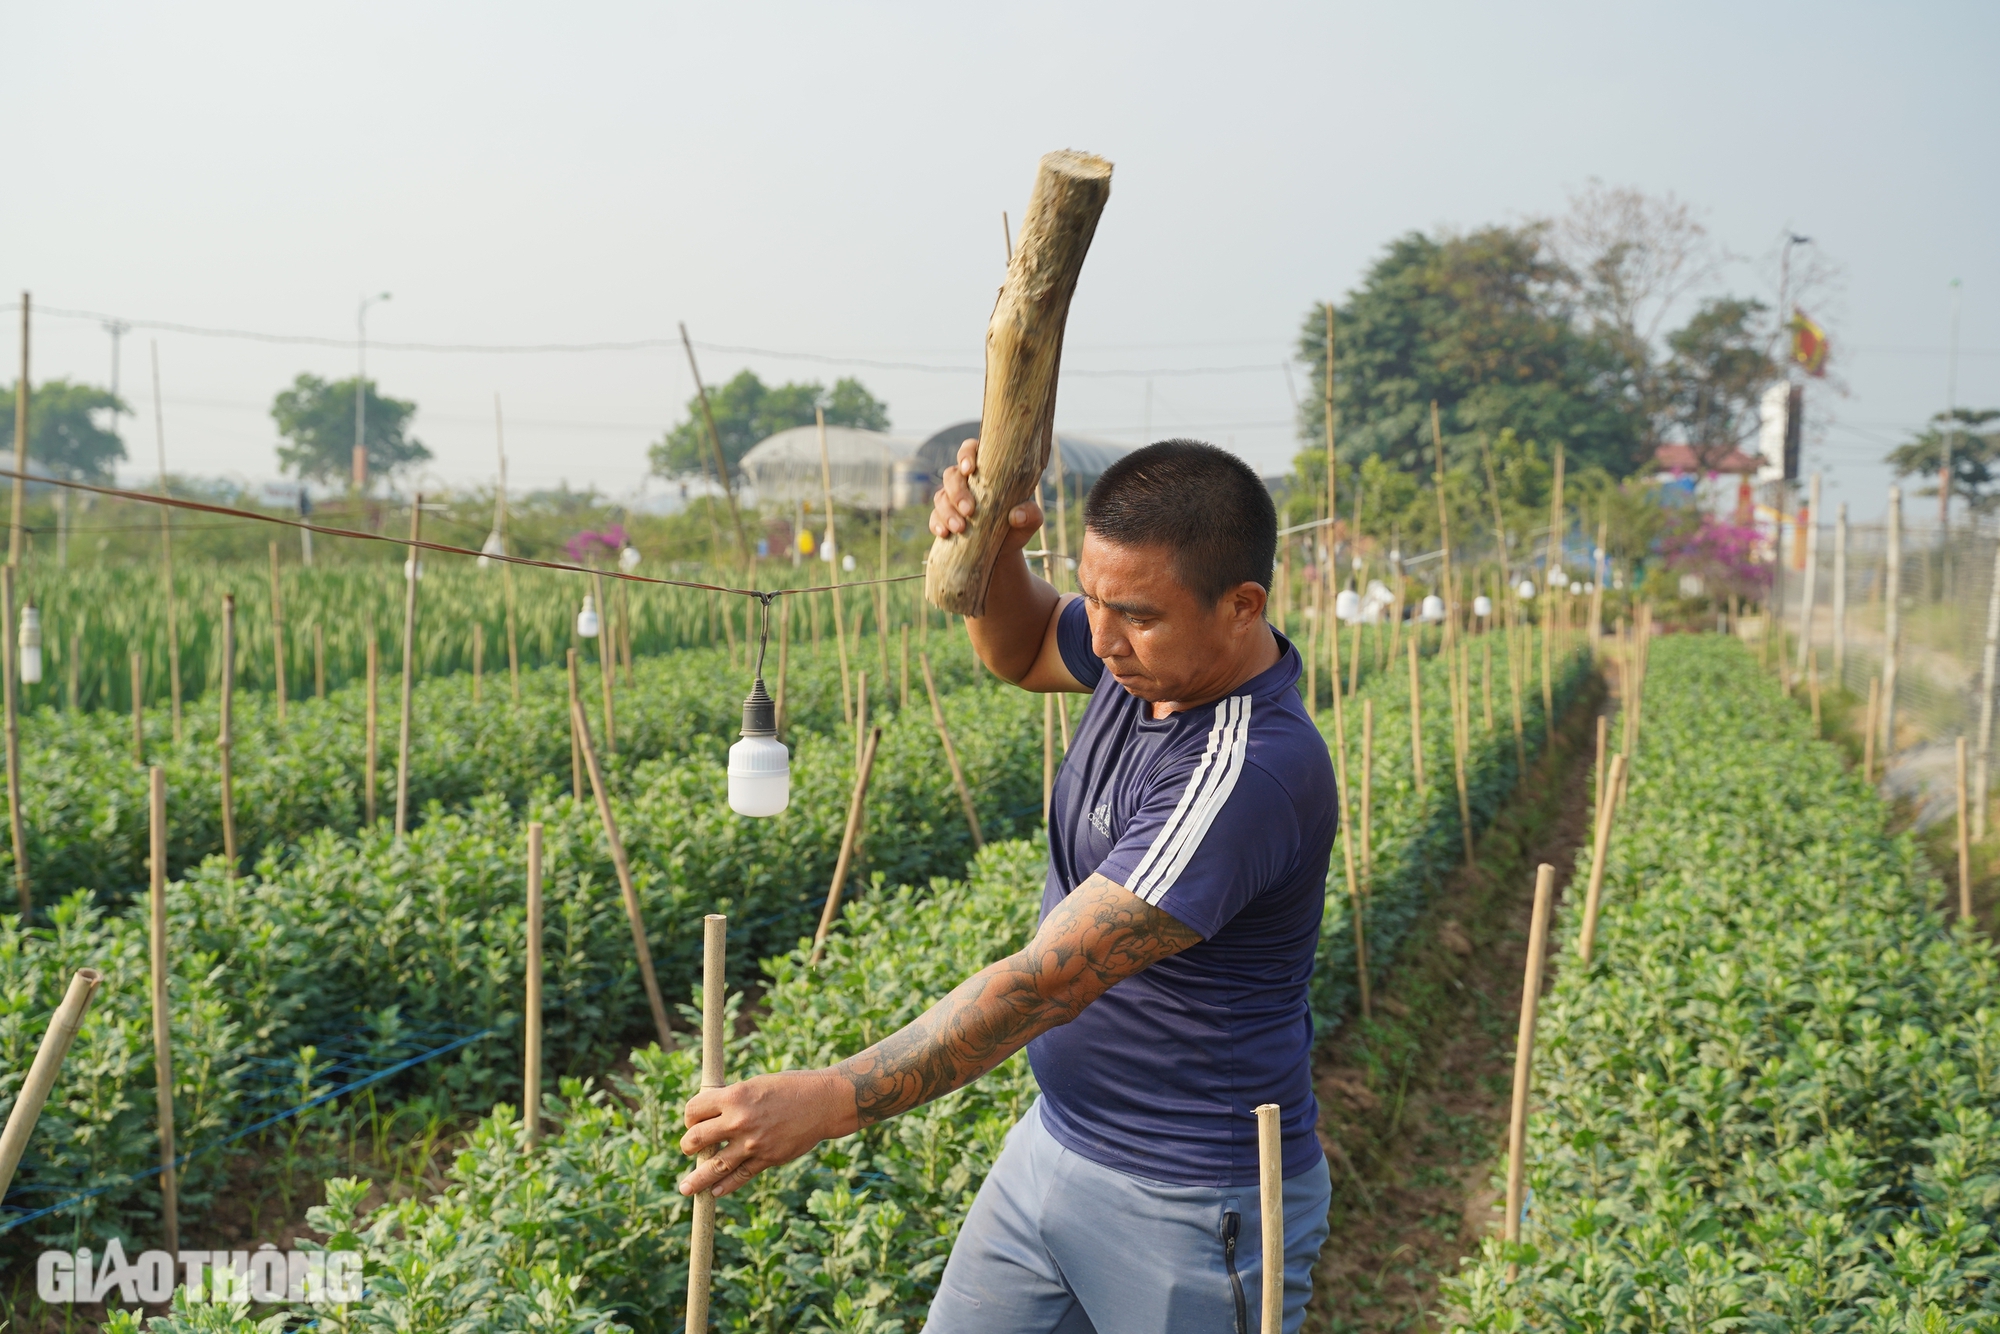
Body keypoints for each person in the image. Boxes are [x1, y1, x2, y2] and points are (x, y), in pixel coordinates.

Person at [678, 437, 1336, 1332]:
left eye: (1134, 615)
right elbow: (1023, 650)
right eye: (1092, 598)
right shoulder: (1145, 663)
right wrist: (992, 547)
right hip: (1054, 1143)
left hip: (1188, 1200)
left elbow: (1053, 980)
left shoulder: (1247, 771)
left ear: (1242, 605)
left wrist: (830, 1100)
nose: (1101, 640)